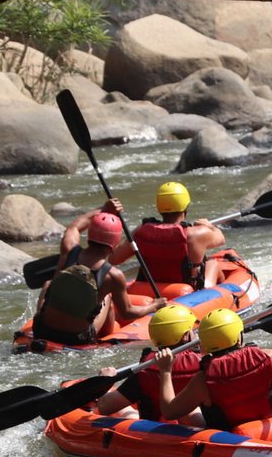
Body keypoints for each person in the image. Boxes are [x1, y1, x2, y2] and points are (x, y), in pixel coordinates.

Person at [153, 297, 272, 429]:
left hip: (232, 437)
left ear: (204, 344)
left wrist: (165, 371)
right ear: (238, 337)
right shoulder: (266, 358)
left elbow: (169, 412)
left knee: (189, 410)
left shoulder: (203, 380)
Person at [34, 208, 164, 346]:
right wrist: (154, 306)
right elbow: (127, 312)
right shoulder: (113, 275)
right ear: (114, 244)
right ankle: (106, 337)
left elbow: (74, 226)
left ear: (89, 235)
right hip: (76, 338)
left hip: (42, 330)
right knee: (107, 297)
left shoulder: (69, 248)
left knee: (49, 283)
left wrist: (105, 208)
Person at [94, 305, 203, 423]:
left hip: (152, 430)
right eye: (191, 330)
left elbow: (104, 407)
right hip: (192, 430)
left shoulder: (146, 368)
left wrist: (104, 381)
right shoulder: (203, 364)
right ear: (185, 336)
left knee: (129, 412)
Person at [132, 181, 227, 291]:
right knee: (212, 264)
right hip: (186, 293)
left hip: (149, 289)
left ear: (159, 207)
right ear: (186, 206)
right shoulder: (196, 233)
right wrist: (209, 226)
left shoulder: (141, 231)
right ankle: (214, 297)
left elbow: (115, 259)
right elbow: (221, 239)